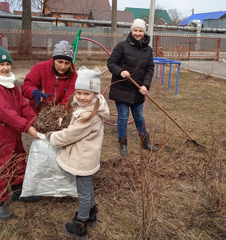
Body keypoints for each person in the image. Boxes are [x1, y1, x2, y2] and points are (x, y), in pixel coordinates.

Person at [46, 66, 110, 240]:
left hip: (83, 157)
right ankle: (91, 213)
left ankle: (80, 224)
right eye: (79, 92)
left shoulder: (88, 115)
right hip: (87, 155)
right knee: (87, 185)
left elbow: (70, 134)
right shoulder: (91, 106)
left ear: (95, 94)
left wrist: (52, 136)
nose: (82, 97)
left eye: (87, 94)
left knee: (83, 190)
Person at [0, 46, 39, 221]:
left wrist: (35, 120)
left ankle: (18, 190)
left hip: (14, 131)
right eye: (1, 64)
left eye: (8, 64)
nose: (5, 68)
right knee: (1, 165)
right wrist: (26, 127)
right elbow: (5, 112)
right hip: (0, 135)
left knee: (19, 157)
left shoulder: (10, 84)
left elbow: (22, 105)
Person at [107, 19, 158, 157]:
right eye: (135, 30)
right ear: (131, 31)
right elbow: (111, 63)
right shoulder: (122, 46)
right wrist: (120, 71)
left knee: (139, 117)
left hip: (137, 90)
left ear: (144, 32)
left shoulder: (148, 50)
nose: (137, 33)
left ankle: (145, 142)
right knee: (123, 116)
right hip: (122, 88)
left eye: (140, 30)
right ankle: (123, 144)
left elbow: (149, 69)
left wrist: (145, 85)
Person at [21, 40, 77, 112]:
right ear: (54, 60)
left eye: (67, 63)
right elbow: (26, 87)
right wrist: (33, 91)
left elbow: (70, 97)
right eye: (60, 62)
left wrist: (60, 111)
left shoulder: (73, 75)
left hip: (60, 112)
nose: (63, 66)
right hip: (37, 112)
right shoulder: (40, 68)